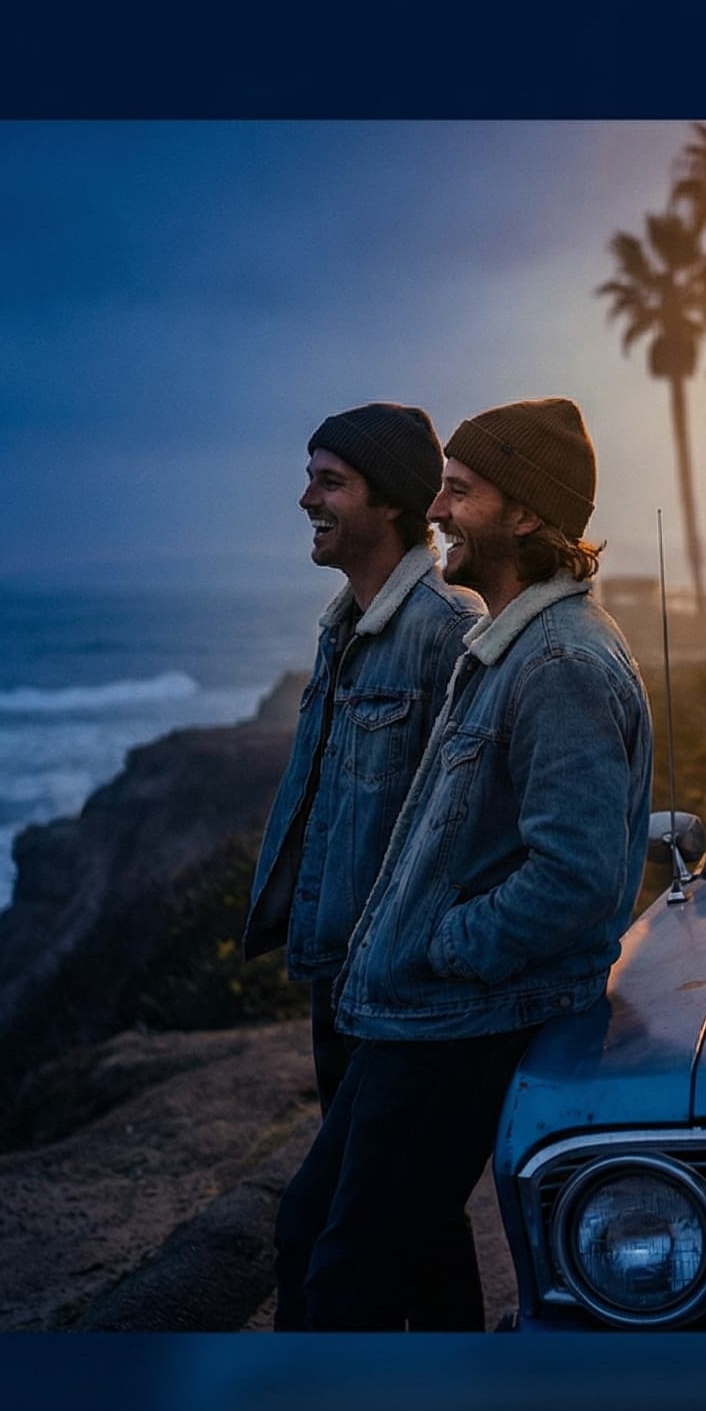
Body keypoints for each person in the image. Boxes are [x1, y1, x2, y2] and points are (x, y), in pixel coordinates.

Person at [281, 396, 653, 1332]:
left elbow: (576, 876)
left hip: (461, 1011)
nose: (436, 511)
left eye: (460, 492)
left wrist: (442, 945)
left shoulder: (560, 661)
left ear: (525, 514)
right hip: (422, 1008)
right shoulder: (510, 644)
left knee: (345, 1270)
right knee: (337, 1237)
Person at [247, 403, 485, 1331]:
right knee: (417, 1230)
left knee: (324, 1232)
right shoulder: (344, 621)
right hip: (342, 982)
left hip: (407, 996)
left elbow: (467, 821)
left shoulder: (446, 628)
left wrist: (427, 955)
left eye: (329, 480)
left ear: (392, 502)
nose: (306, 497)